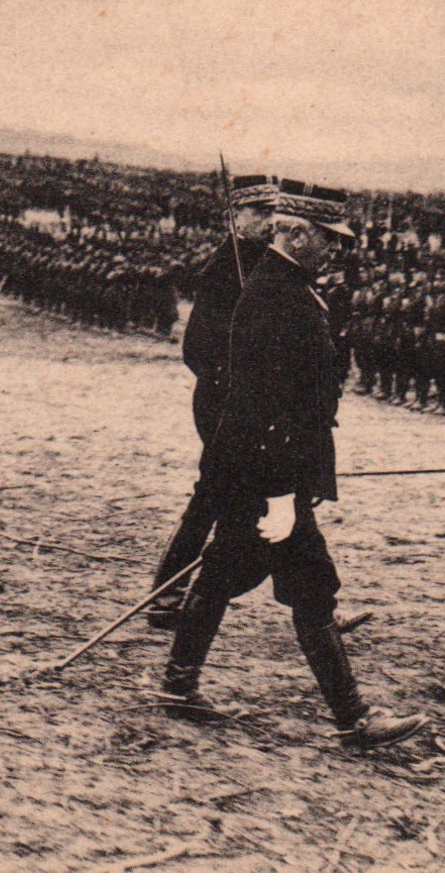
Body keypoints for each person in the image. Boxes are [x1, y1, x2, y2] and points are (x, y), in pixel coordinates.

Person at [155, 180, 427, 750]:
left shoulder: (286, 286)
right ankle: (353, 718)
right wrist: (284, 493)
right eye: (326, 238)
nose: (334, 249)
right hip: (265, 479)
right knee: (310, 586)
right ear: (297, 233)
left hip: (256, 473)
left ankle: (178, 683)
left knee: (225, 570)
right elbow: (266, 407)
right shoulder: (277, 295)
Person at [146, 175, 275, 628]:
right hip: (223, 404)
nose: (268, 220)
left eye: (272, 211)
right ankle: (168, 596)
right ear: (234, 217)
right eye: (258, 211)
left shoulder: (265, 264)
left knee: (232, 497)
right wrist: (237, 378)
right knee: (219, 497)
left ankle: (313, 600)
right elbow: (197, 348)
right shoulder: (223, 269)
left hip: (253, 407)